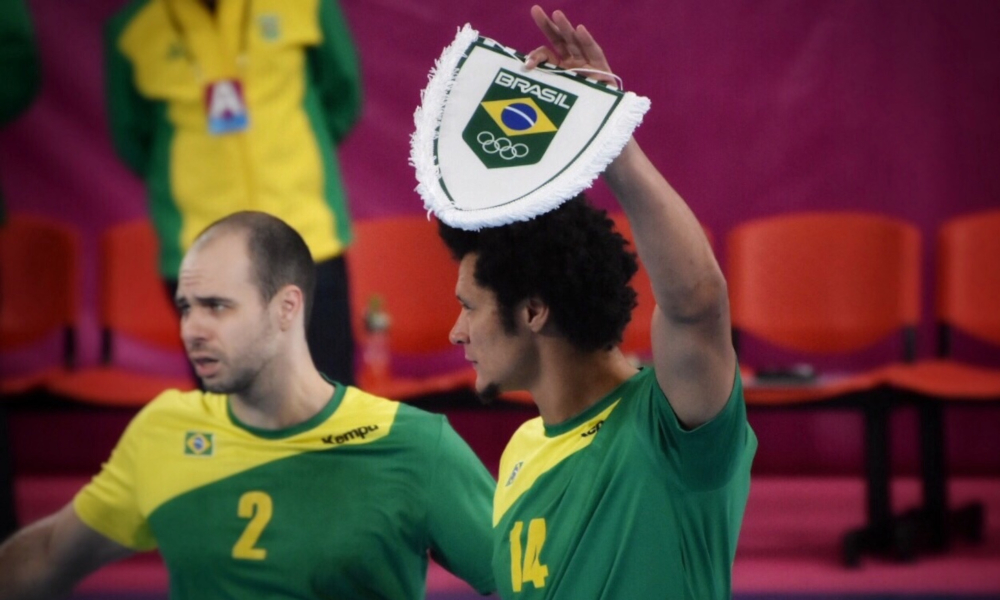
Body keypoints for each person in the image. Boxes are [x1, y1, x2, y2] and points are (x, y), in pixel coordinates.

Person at [0, 212, 497, 599]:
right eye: (185, 308)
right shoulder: (165, 430)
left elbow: (534, 577)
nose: (193, 329)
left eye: (217, 306)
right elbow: (46, 556)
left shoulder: (413, 445)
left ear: (287, 308)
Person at [437, 7, 757, 599]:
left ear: (533, 310)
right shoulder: (522, 450)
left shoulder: (668, 428)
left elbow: (698, 304)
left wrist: (614, 145)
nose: (457, 333)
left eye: (469, 306)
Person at [105, 0, 362, 385]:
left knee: (329, 404)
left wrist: (306, 149)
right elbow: (134, 140)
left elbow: (343, 95)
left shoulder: (309, 5)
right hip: (200, 255)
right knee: (232, 420)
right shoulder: (132, 28)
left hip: (308, 239)